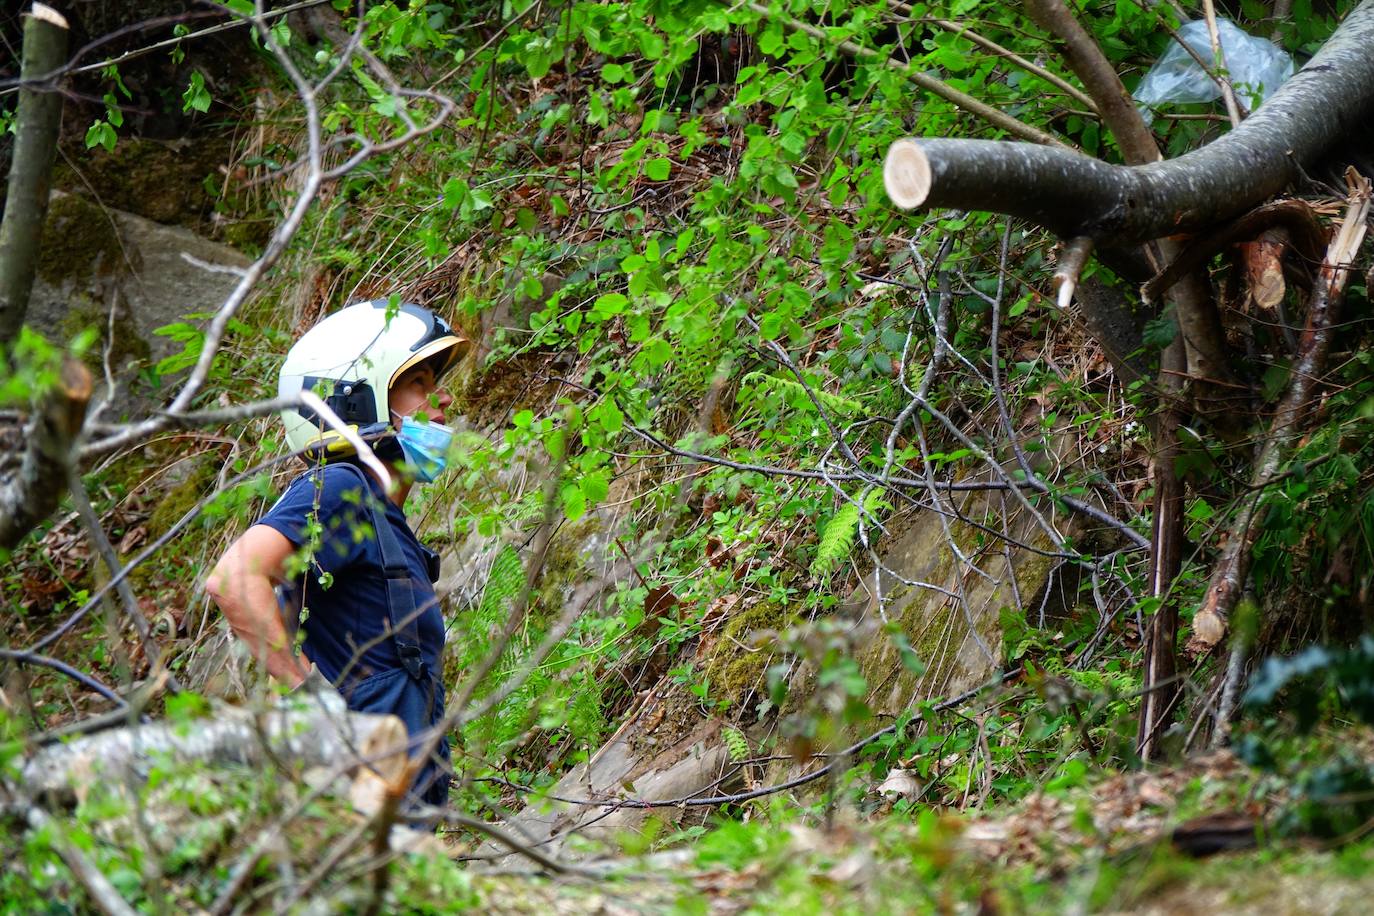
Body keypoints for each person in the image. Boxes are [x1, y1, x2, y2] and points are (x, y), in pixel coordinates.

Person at [208, 300, 468, 809]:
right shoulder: (340, 489)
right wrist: (308, 698)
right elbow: (234, 579)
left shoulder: (375, 510)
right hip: (362, 805)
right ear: (357, 400)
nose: (441, 400)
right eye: (418, 383)